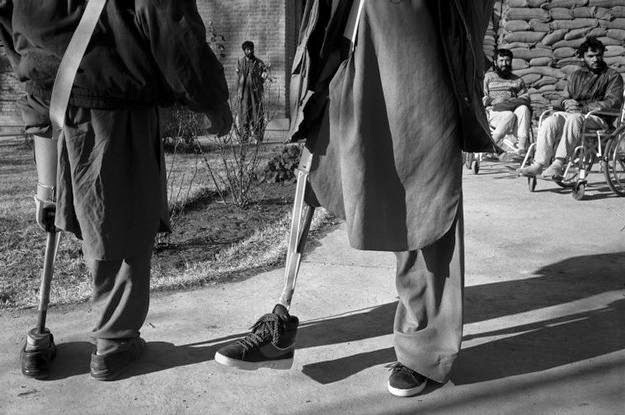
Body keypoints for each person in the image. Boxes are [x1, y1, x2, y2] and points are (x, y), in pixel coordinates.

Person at [215, 0, 495, 398]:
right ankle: (279, 321)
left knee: (424, 194)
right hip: (348, 42)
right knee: (315, 171)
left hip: (417, 49)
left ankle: (426, 350)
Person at [0, 0, 231, 380]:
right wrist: (210, 97)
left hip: (48, 93)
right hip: (111, 100)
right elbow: (168, 21)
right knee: (121, 219)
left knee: (54, 202)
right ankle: (115, 342)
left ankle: (48, 330)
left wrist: (30, 61)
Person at [519, 37, 623, 179]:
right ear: (583, 57)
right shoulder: (576, 76)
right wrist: (564, 103)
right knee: (551, 120)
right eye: (590, 56)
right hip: (575, 115)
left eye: (598, 55)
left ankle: (558, 163)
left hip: (599, 118)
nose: (595, 59)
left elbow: (613, 102)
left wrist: (583, 107)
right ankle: (539, 164)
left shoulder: (612, 76)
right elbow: (564, 97)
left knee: (574, 118)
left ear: (602, 55)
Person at [483, 48, 532, 156]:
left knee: (523, 108)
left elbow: (525, 98)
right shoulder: (488, 78)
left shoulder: (517, 80)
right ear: (495, 62)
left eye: (507, 60)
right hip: (494, 112)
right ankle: (491, 146)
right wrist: (494, 100)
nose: (504, 64)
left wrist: (509, 101)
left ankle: (522, 149)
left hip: (513, 110)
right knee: (509, 115)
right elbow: (482, 97)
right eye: (501, 60)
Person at [236, 40, 268, 142]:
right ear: (244, 51)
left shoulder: (259, 63)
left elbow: (264, 74)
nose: (250, 51)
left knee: (257, 114)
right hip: (244, 93)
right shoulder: (240, 62)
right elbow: (239, 77)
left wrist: (263, 76)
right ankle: (244, 138)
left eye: (251, 49)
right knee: (244, 115)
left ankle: (258, 137)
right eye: (247, 50)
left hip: (255, 93)